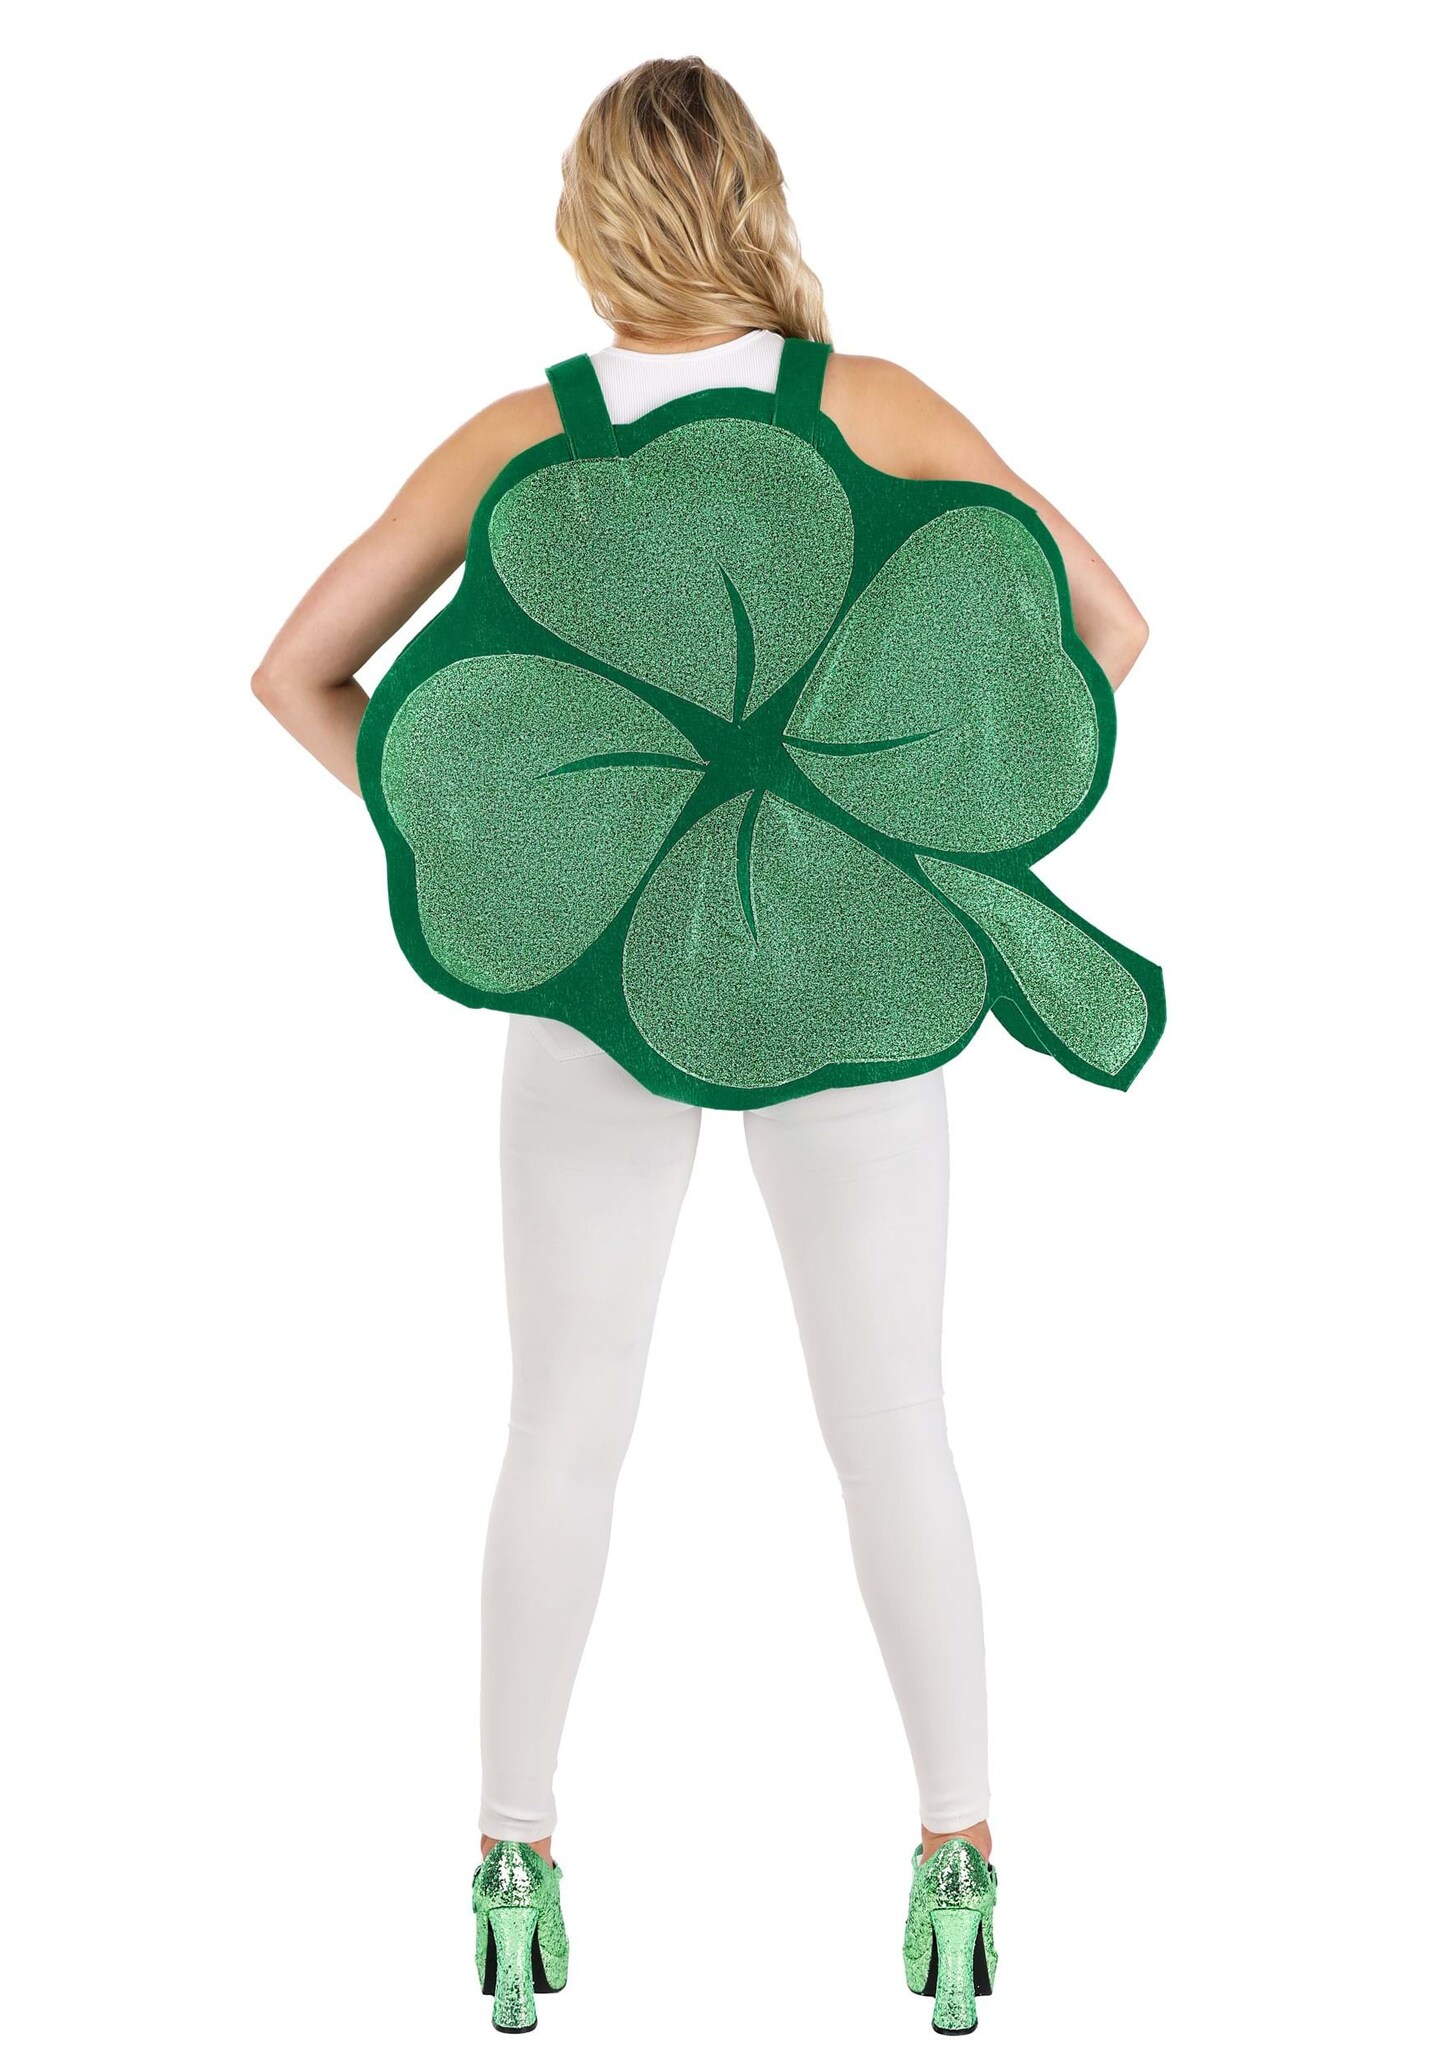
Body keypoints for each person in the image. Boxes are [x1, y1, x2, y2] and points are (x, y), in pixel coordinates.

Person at [252, 54, 1149, 2038]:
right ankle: (959, 1863)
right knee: (894, 1425)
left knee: (562, 1431)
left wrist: (503, 843)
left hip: (599, 995)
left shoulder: (524, 437)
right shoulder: (874, 408)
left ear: (587, 220)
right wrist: (913, 818)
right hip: (849, 990)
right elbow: (1103, 627)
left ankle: (509, 1866)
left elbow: (300, 670)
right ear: (758, 195)